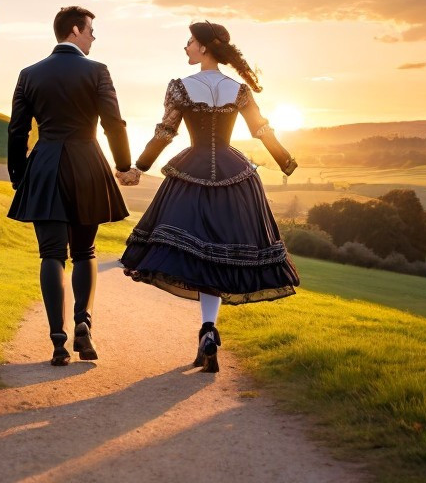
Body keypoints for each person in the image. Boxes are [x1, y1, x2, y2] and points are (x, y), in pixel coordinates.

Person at [119, 21, 300, 373]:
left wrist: (139, 168)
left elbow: (165, 131)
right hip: (237, 177)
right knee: (217, 259)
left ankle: (207, 332)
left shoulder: (181, 88)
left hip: (192, 175)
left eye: (189, 42)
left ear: (203, 47)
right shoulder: (238, 89)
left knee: (198, 257)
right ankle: (209, 331)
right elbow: (261, 129)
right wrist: (285, 160)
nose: (185, 47)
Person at [8, 6, 139, 366]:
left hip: (45, 166)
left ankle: (57, 341)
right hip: (87, 165)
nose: (94, 37)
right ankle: (84, 322)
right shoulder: (97, 71)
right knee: (85, 252)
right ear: (76, 31)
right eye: (91, 30)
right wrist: (123, 165)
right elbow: (114, 123)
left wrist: (19, 175)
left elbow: (18, 130)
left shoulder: (29, 74)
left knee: (51, 254)